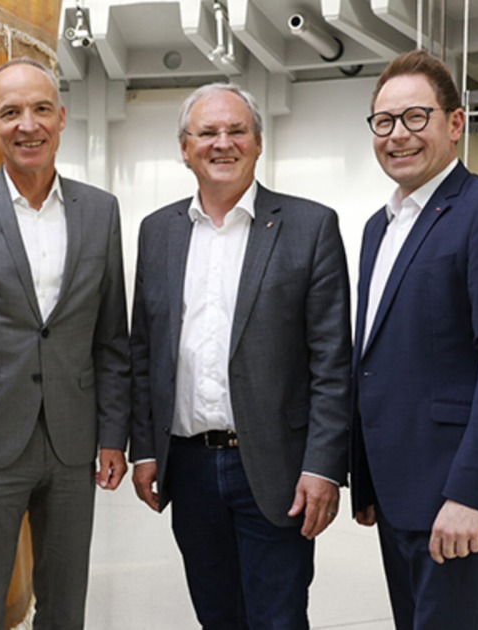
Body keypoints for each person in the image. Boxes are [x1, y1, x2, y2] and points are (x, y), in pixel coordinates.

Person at [129, 83, 351, 629]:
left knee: (278, 619)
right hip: (190, 467)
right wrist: (145, 448)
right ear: (185, 148)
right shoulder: (157, 232)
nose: (222, 143)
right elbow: (143, 350)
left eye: (237, 131)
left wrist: (323, 466)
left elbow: (331, 363)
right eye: (207, 132)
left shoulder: (310, 227)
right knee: (217, 616)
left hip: (276, 469)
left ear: (258, 142)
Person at [348, 49, 478, 629]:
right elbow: (378, 357)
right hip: (400, 491)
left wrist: (472, 495)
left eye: (416, 116)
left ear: (455, 123)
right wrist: (366, 478)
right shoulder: (379, 227)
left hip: (456, 496)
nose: (398, 134)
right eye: (384, 121)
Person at [0, 58, 130, 630]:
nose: (28, 125)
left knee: (65, 607)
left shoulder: (101, 211)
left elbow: (111, 337)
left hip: (72, 440)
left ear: (61, 117)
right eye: (11, 112)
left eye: (40, 109)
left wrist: (113, 435)